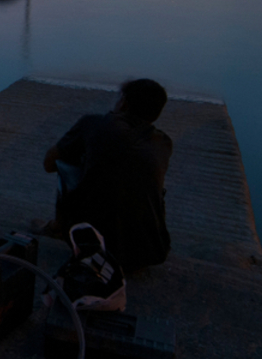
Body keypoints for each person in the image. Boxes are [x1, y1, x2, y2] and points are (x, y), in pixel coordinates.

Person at [41, 78, 173, 273]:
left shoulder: (93, 123)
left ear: (124, 102)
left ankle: (58, 227)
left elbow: (49, 163)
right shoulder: (164, 142)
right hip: (152, 251)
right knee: (138, 174)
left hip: (93, 246)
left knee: (66, 164)